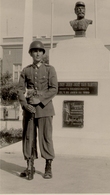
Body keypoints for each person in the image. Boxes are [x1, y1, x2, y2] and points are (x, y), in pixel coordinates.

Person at [17, 40, 58, 180]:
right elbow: (20, 90)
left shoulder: (49, 69)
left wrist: (39, 99)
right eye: (34, 51)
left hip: (45, 109)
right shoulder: (26, 70)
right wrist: (24, 104)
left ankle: (48, 166)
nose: (37, 53)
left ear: (43, 53)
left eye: (40, 51)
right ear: (30, 53)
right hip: (29, 109)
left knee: (46, 137)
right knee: (29, 137)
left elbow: (54, 89)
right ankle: (30, 165)